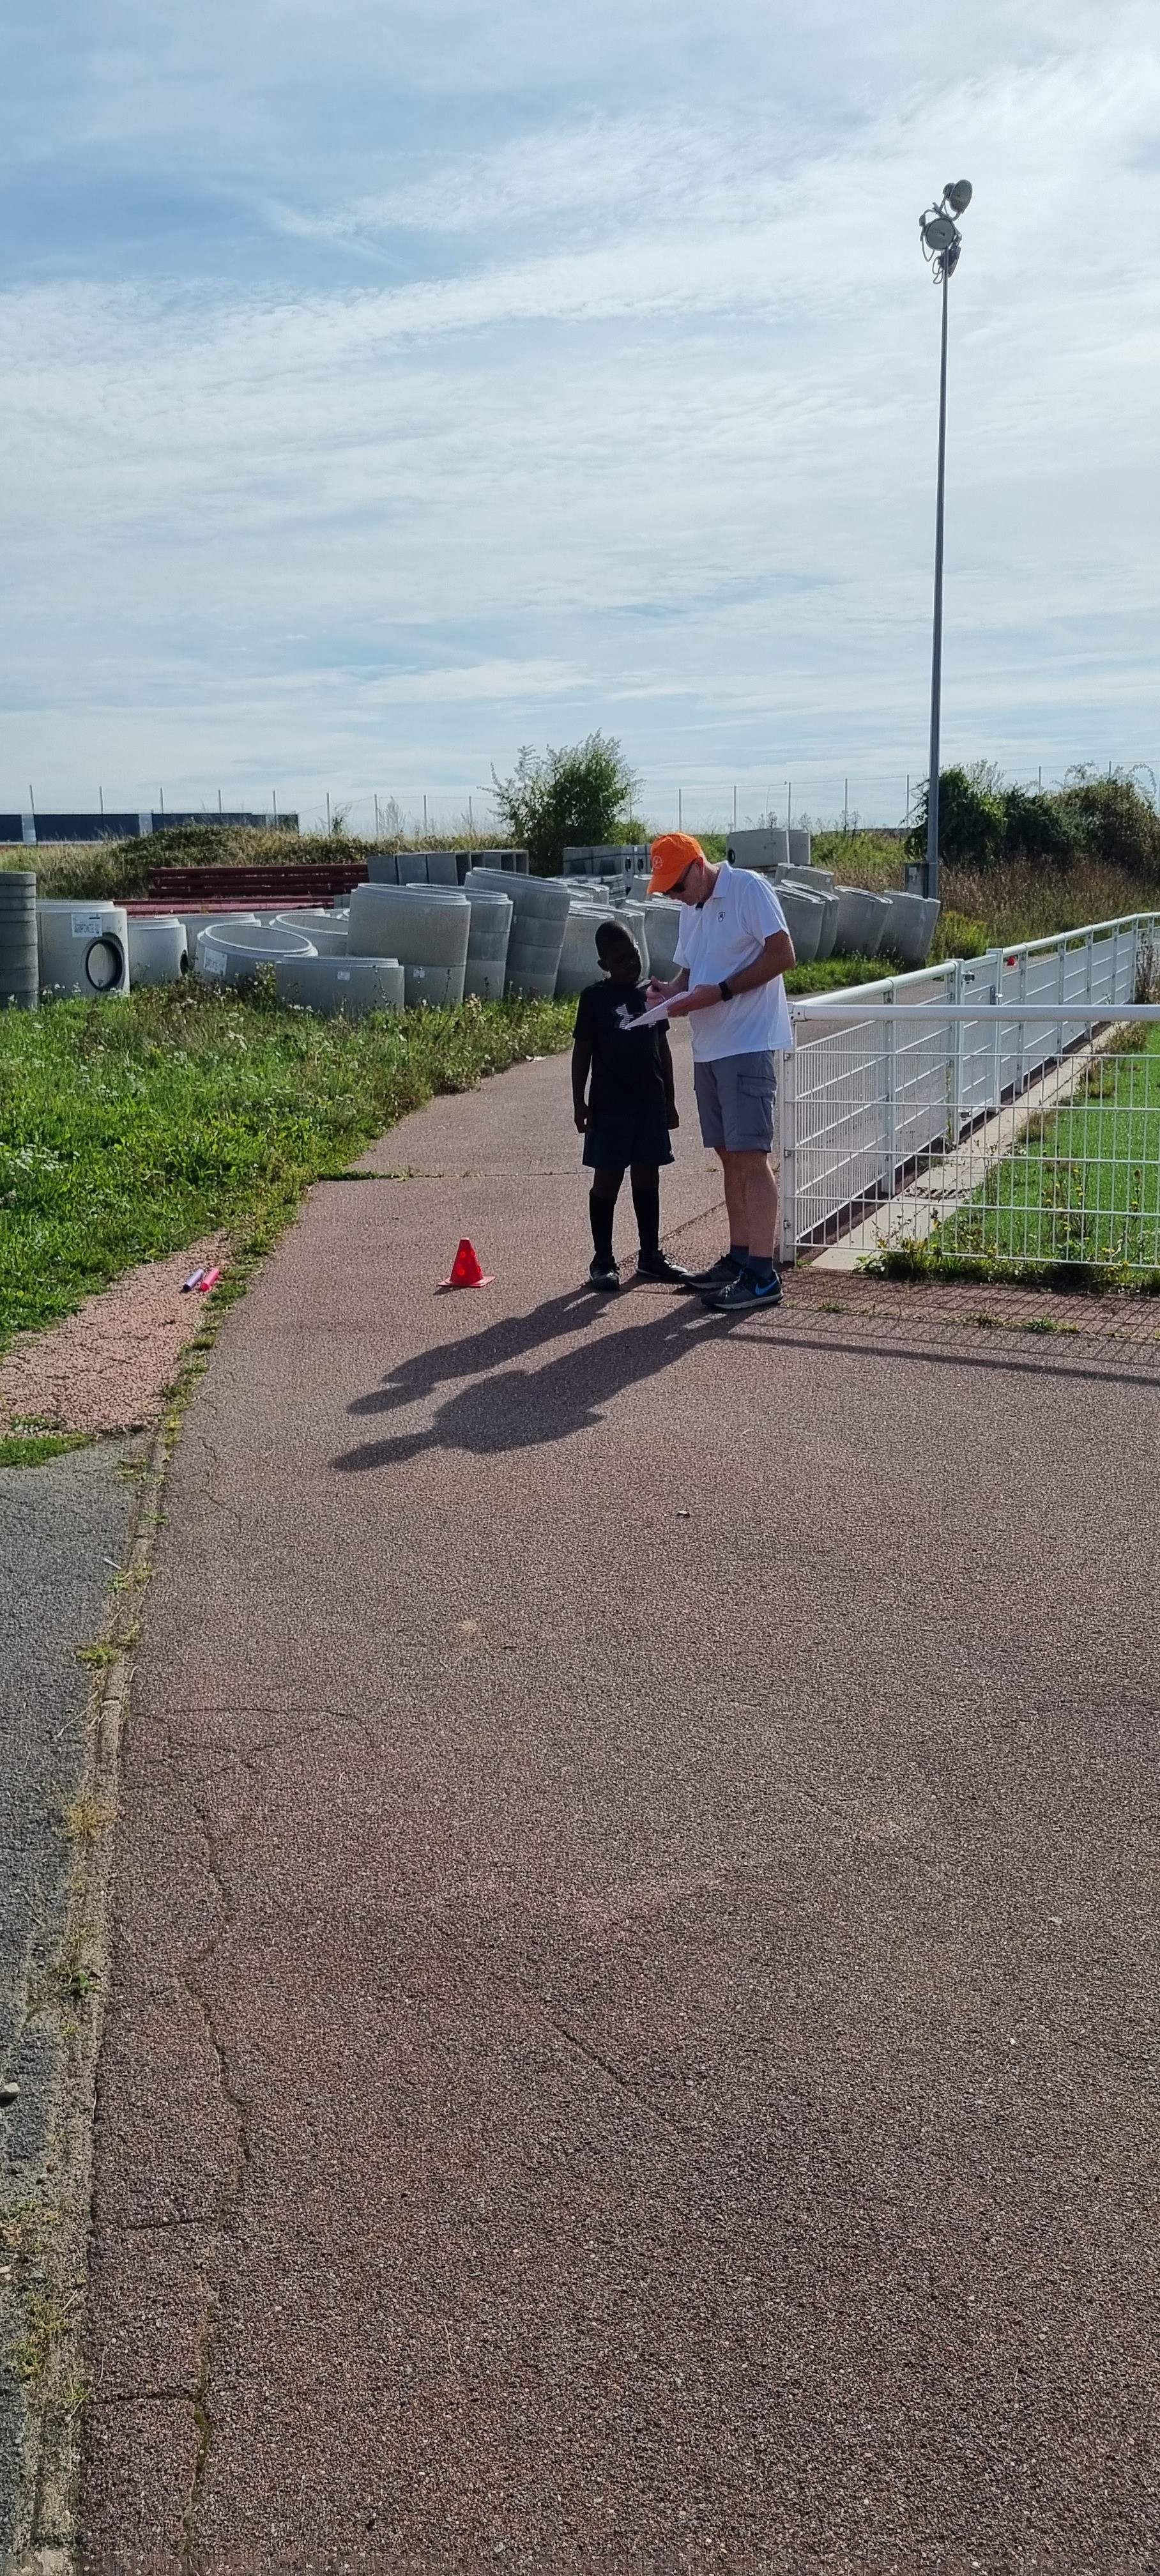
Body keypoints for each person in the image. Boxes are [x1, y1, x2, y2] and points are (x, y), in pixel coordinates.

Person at [645, 832, 795, 1314]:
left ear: (697, 865)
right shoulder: (691, 911)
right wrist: (668, 993)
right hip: (709, 1048)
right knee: (730, 1155)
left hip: (747, 1043)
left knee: (751, 1157)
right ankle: (738, 1258)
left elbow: (783, 954)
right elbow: (690, 975)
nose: (674, 896)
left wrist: (724, 992)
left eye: (676, 885)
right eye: (666, 890)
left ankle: (761, 1273)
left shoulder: (748, 889)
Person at [571, 919, 690, 1292]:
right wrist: (580, 1103)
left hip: (649, 1105)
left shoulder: (651, 993)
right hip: (609, 1108)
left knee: (647, 1176)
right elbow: (582, 1054)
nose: (630, 965)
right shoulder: (594, 999)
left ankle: (650, 1255)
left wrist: (670, 1100)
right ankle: (603, 1260)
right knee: (607, 1181)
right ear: (604, 965)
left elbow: (663, 1049)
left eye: (634, 956)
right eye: (620, 960)